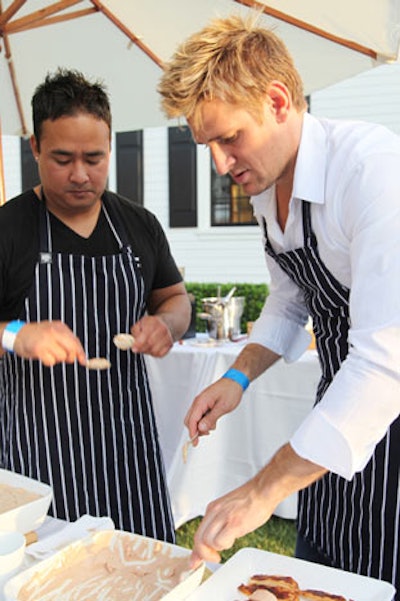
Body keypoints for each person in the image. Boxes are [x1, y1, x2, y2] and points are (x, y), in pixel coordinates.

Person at [158, 12, 400, 592]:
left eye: (229, 137)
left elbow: (384, 363)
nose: (220, 164)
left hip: (384, 410)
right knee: (318, 574)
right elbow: (292, 303)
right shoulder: (268, 191)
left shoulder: (371, 172)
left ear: (278, 100)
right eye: (207, 145)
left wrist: (263, 489)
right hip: (332, 417)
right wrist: (236, 380)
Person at [0, 68, 191, 543]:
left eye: (95, 158)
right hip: (37, 453)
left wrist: (167, 324)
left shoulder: (137, 225)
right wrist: (15, 334)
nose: (81, 175)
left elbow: (175, 297)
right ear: (36, 150)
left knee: (142, 570)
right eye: (63, 158)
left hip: (127, 451)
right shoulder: (10, 228)